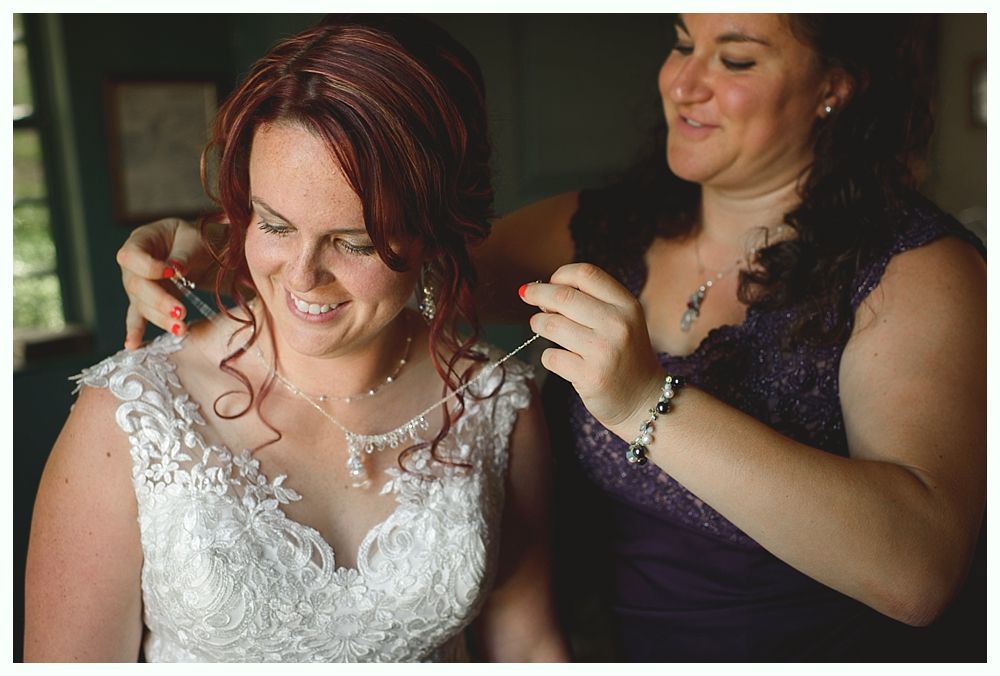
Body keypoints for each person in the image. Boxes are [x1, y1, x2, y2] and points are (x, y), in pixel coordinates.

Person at [111, 14, 986, 660]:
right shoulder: (602, 228)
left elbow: (918, 574)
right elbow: (387, 255)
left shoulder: (918, 269)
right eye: (682, 41)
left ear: (838, 82)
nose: (684, 82)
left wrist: (648, 404)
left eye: (738, 58)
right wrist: (207, 249)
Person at [24, 15, 568, 662]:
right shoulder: (132, 416)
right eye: (274, 224)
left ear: (436, 233)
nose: (302, 276)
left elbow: (529, 648)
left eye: (355, 240)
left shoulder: (496, 402)